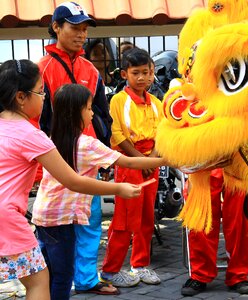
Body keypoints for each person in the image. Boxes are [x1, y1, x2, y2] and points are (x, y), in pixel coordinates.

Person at [0, 59, 141, 300]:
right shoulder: (32, 135)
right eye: (41, 91)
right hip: (8, 219)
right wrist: (118, 188)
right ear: (21, 97)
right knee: (39, 281)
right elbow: (73, 181)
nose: (44, 98)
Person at [31, 83, 167, 299]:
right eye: (89, 108)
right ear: (76, 113)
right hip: (62, 221)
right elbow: (128, 162)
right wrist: (169, 160)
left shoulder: (51, 140)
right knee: (62, 276)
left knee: (46, 273)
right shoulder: (86, 144)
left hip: (43, 217)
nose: (93, 113)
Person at [32, 1, 114, 296]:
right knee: (56, 229)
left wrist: (105, 154)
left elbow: (103, 114)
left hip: (87, 160)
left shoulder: (90, 69)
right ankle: (53, 283)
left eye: (84, 29)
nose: (81, 35)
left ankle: (87, 279)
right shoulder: (40, 69)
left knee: (90, 221)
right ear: (56, 27)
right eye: (74, 28)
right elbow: (36, 121)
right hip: (56, 163)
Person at [101, 47, 163, 287]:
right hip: (129, 162)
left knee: (148, 216)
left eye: (146, 72)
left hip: (152, 162)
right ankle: (110, 269)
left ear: (153, 72)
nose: (142, 78)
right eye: (136, 72)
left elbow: (164, 133)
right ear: (125, 74)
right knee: (125, 219)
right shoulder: (119, 100)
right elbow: (117, 134)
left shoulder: (157, 102)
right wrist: (141, 159)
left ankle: (140, 264)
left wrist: (153, 158)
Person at [181, 169, 248, 296]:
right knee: (201, 219)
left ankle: (239, 275)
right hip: (204, 163)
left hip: (237, 164)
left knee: (239, 221)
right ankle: (200, 275)